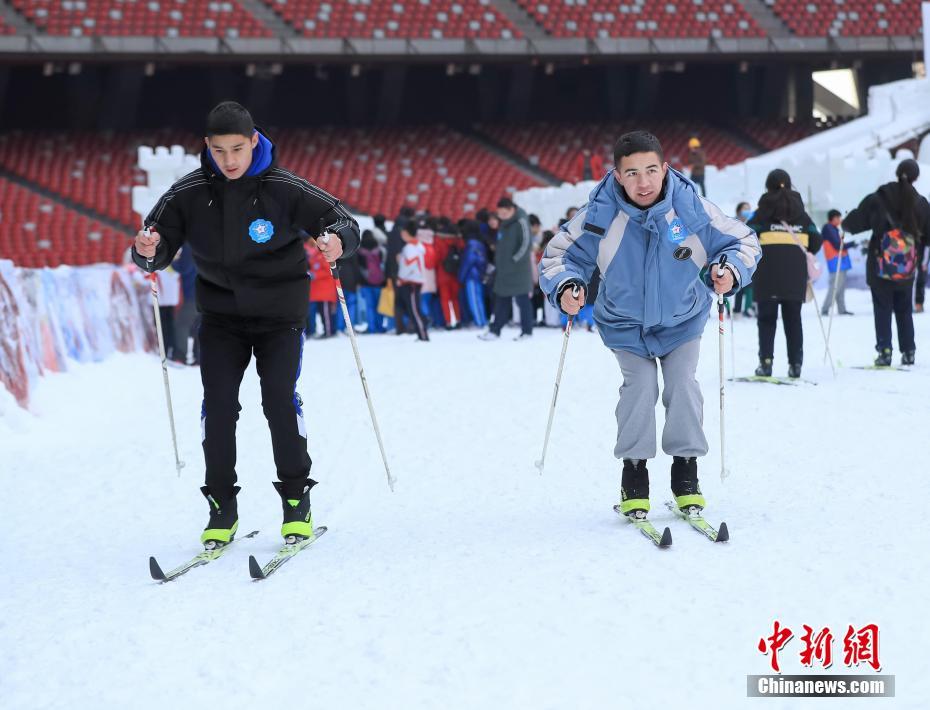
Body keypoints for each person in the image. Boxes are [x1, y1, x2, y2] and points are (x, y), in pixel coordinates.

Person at [132, 101, 360, 546]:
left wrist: (337, 242)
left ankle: (296, 500)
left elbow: (343, 221)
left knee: (277, 399)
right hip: (220, 318)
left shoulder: (282, 185)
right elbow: (153, 242)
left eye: (238, 148)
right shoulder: (188, 191)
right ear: (208, 147)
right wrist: (147, 249)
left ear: (254, 141)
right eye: (220, 151)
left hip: (280, 317)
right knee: (218, 406)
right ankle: (222, 507)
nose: (230, 160)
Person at [539, 130, 760, 518]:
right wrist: (567, 285)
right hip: (624, 324)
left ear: (666, 169)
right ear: (618, 175)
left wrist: (728, 269)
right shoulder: (599, 215)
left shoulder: (692, 210)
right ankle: (634, 472)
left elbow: (742, 241)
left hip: (682, 320)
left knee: (682, 386)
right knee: (639, 389)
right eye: (633, 173)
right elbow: (559, 255)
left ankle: (686, 471)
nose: (643, 182)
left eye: (651, 170)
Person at [843, 158, 930, 366]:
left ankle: (885, 351)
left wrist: (846, 223)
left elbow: (854, 223)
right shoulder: (921, 203)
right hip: (907, 267)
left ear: (897, 173)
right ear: (916, 177)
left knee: (882, 308)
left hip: (879, 263)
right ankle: (908, 351)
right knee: (904, 309)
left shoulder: (879, 197)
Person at [747, 169, 821, 379]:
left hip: (767, 275)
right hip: (794, 276)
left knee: (767, 320)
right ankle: (795, 364)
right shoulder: (803, 215)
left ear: (768, 186)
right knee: (793, 320)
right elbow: (816, 240)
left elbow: (746, 234)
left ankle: (766, 363)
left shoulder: (760, 213)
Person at [479, 197, 534, 341]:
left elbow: (526, 244)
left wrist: (514, 260)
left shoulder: (521, 221)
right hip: (504, 269)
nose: (501, 216)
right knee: (501, 299)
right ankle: (495, 330)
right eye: (499, 213)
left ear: (511, 210)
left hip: (519, 270)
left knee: (522, 301)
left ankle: (527, 332)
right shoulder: (505, 223)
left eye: (503, 213)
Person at [395, 221, 430, 341]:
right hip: (414, 281)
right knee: (413, 309)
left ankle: (423, 334)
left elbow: (408, 265)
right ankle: (422, 332)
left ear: (405, 233)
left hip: (411, 282)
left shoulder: (410, 248)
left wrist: (401, 277)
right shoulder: (417, 246)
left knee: (414, 310)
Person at [821, 209, 854, 316]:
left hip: (840, 261)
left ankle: (842, 309)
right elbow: (837, 245)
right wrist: (851, 244)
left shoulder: (834, 229)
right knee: (835, 286)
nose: (840, 220)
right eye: (838, 218)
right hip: (835, 261)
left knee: (841, 286)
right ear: (833, 218)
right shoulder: (828, 228)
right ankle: (825, 309)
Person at [458, 219, 489, 328]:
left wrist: (461, 276)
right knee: (478, 298)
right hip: (478, 274)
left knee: (474, 299)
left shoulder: (471, 243)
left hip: (471, 275)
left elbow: (468, 261)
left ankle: (480, 322)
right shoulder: (480, 242)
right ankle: (482, 320)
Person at [357, 230, 387, 334]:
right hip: (379, 282)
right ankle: (380, 326)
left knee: (369, 306)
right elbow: (383, 265)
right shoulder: (379, 249)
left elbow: (359, 268)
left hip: (366, 282)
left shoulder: (359, 250)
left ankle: (372, 327)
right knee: (379, 306)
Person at [732, 202, 755, 318]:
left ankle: (748, 308)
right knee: (739, 284)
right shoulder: (733, 223)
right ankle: (737, 309)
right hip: (737, 257)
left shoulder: (752, 223)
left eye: (749, 209)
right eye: (745, 209)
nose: (748, 211)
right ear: (739, 210)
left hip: (750, 257)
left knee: (750, 284)